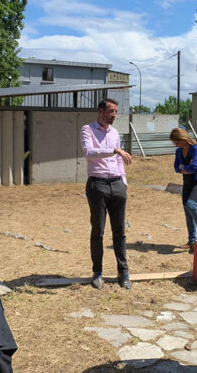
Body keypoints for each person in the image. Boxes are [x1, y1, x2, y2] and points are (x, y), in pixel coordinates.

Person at [81, 98, 132, 290]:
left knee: (120, 232)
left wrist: (123, 183)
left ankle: (123, 271)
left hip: (117, 184)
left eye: (116, 112)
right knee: (98, 232)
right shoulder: (88, 129)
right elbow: (89, 152)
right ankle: (97, 272)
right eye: (111, 111)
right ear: (101, 111)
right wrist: (114, 150)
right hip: (98, 185)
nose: (114, 115)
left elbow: (119, 162)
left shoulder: (115, 133)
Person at [170, 128, 197, 253]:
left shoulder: (196, 148)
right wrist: (184, 167)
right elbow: (176, 167)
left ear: (183, 138)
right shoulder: (178, 151)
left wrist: (185, 168)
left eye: (177, 142)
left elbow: (194, 167)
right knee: (187, 211)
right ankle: (192, 241)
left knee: (191, 205)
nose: (176, 145)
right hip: (187, 183)